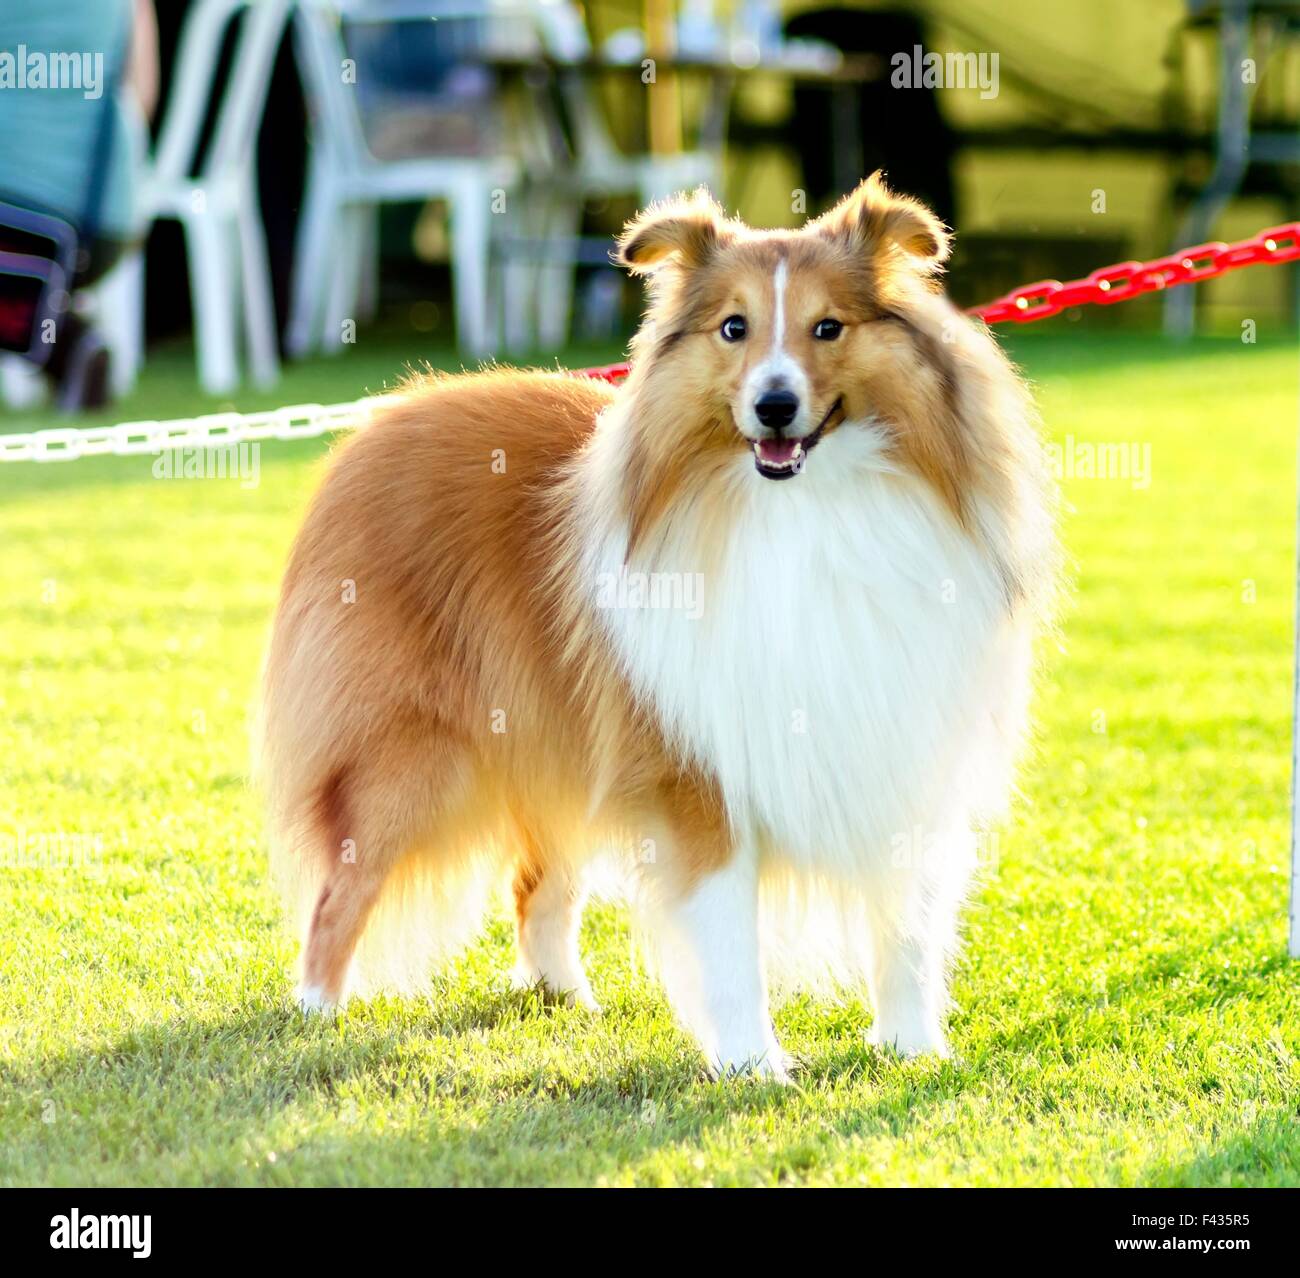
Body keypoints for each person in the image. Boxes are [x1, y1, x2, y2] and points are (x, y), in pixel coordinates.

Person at [0, 0, 158, 410]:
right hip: (105, 218)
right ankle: (63, 339)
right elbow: (143, 93)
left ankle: (62, 341)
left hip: (20, 222)